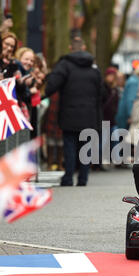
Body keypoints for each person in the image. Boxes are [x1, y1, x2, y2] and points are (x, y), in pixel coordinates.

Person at [44, 37, 103, 187]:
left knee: (69, 146)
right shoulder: (94, 68)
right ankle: (83, 179)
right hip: (89, 116)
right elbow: (102, 93)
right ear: (83, 48)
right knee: (85, 148)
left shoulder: (64, 65)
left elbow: (51, 86)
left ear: (70, 48)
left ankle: (68, 177)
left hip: (68, 115)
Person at [116, 64, 139, 131]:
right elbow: (130, 100)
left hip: (123, 112)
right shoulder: (134, 82)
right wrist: (131, 115)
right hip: (126, 115)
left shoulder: (132, 80)